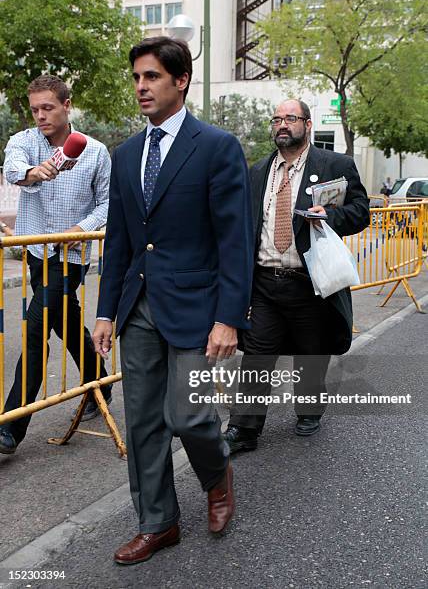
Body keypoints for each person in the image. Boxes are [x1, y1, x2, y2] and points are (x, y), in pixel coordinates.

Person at [92, 37, 253, 564]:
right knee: (142, 423)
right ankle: (158, 523)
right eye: (136, 78)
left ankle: (217, 475)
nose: (141, 86)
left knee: (188, 418)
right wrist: (105, 311)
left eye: (152, 77)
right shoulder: (125, 154)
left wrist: (229, 318)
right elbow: (119, 238)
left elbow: (235, 239)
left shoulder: (215, 146)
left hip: (198, 308)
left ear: (179, 80)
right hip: (138, 305)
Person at [223, 99, 370, 453]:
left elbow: (361, 212)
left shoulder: (334, 164)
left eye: (290, 118)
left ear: (306, 123)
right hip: (265, 281)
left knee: (311, 352)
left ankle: (309, 409)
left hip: (310, 282)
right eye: (277, 119)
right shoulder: (258, 171)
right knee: (256, 356)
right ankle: (244, 429)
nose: (282, 124)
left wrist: (330, 217)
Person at [0, 75, 111, 456]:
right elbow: (13, 167)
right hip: (36, 251)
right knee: (65, 320)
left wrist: (82, 228)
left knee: (35, 329)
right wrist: (34, 172)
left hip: (72, 256)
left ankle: (10, 427)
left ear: (67, 105)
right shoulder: (23, 141)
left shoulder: (95, 152)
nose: (41, 116)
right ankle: (100, 383)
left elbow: (107, 204)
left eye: (48, 107)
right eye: (35, 109)